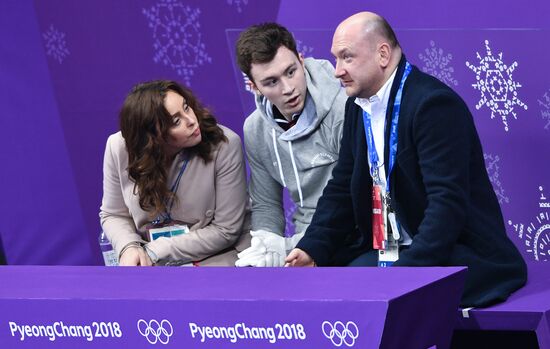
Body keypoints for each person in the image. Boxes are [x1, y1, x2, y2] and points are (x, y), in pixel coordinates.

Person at [286, 12, 527, 307]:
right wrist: (312, 247)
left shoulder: (433, 105)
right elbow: (341, 188)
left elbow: (446, 204)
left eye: (347, 57)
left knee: (376, 297)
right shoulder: (356, 107)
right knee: (336, 288)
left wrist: (407, 276)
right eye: (336, 59)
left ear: (383, 54)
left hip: (452, 251)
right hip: (390, 250)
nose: (337, 71)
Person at [234, 23, 349, 267]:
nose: (288, 89)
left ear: (301, 59)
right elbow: (266, 203)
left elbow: (353, 201)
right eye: (271, 82)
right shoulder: (254, 129)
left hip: (347, 236)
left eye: (290, 72)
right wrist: (266, 246)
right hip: (300, 242)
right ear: (254, 86)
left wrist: (290, 246)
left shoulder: (345, 109)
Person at [100, 80, 249, 266]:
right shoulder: (119, 148)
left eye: (187, 107)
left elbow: (225, 230)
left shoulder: (224, 145)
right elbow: (114, 214)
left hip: (216, 256)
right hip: (152, 262)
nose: (192, 121)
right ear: (153, 138)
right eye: (177, 121)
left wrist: (154, 251)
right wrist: (129, 246)